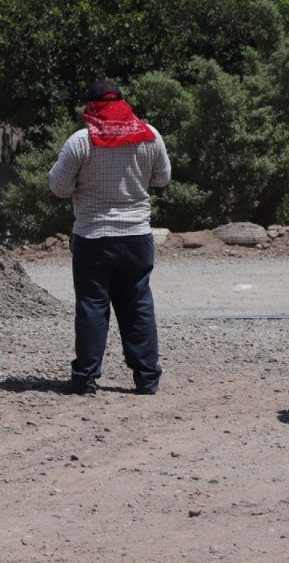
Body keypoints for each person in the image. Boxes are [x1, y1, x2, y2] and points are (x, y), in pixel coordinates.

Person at [49, 78, 172, 395]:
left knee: (92, 306)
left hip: (93, 236)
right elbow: (162, 178)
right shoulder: (150, 135)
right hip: (137, 236)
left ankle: (85, 378)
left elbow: (59, 188)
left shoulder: (80, 141)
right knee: (138, 305)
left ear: (90, 108)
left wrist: (84, 185)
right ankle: (147, 379)